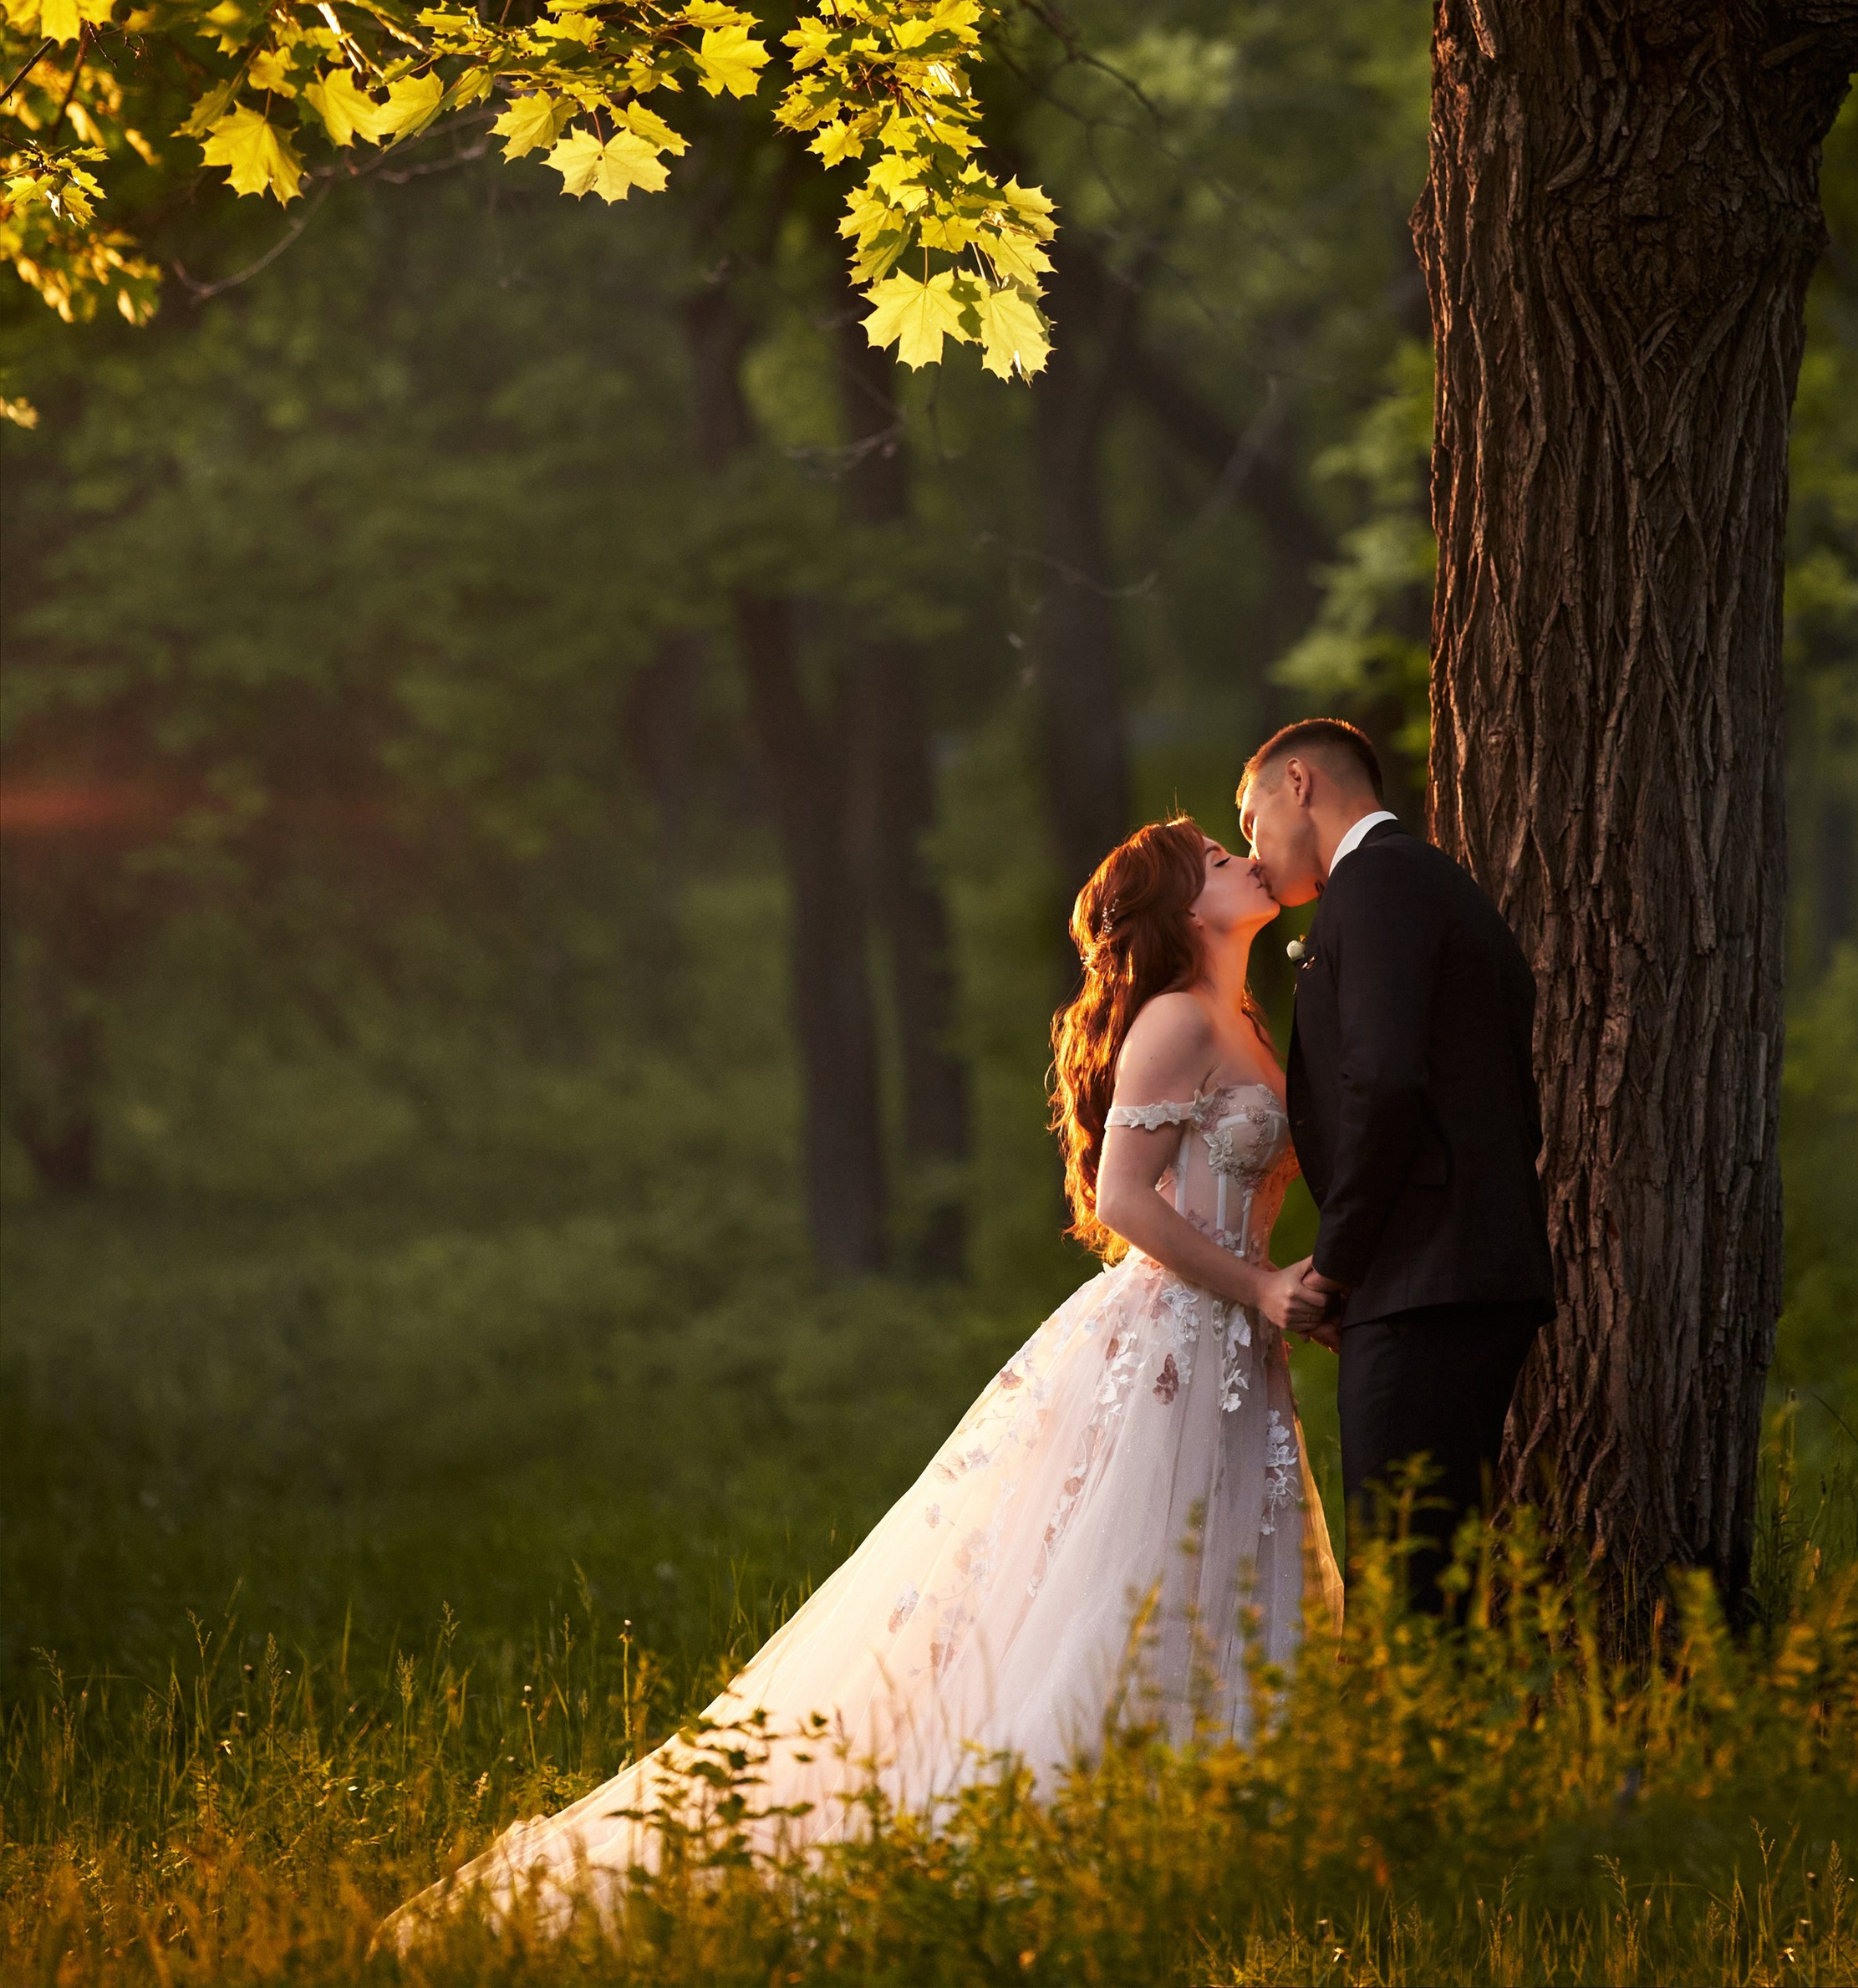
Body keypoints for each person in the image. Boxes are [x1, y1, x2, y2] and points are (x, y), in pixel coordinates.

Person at [379, 816, 1337, 1943]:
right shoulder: (1175, 1020)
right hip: (1174, 1342)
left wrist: (1288, 1294)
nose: (1242, 859)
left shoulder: (1246, 1017)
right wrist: (1259, 1285)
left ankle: (1227, 1845)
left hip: (1237, 1343)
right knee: (1128, 1580)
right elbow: (1124, 1199)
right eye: (1217, 859)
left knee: (1224, 1570)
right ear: (1182, 908)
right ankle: (1082, 1847)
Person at [1238, 718, 1552, 1610]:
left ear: (1300, 783)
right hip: (1448, 1272)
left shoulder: (1377, 883)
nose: (1251, 852)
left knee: (1403, 1594)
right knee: (1432, 1581)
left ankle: (1423, 1711)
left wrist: (1338, 1264)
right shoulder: (1426, 884)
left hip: (1425, 1283)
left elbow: (1382, 1082)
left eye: (1251, 821)